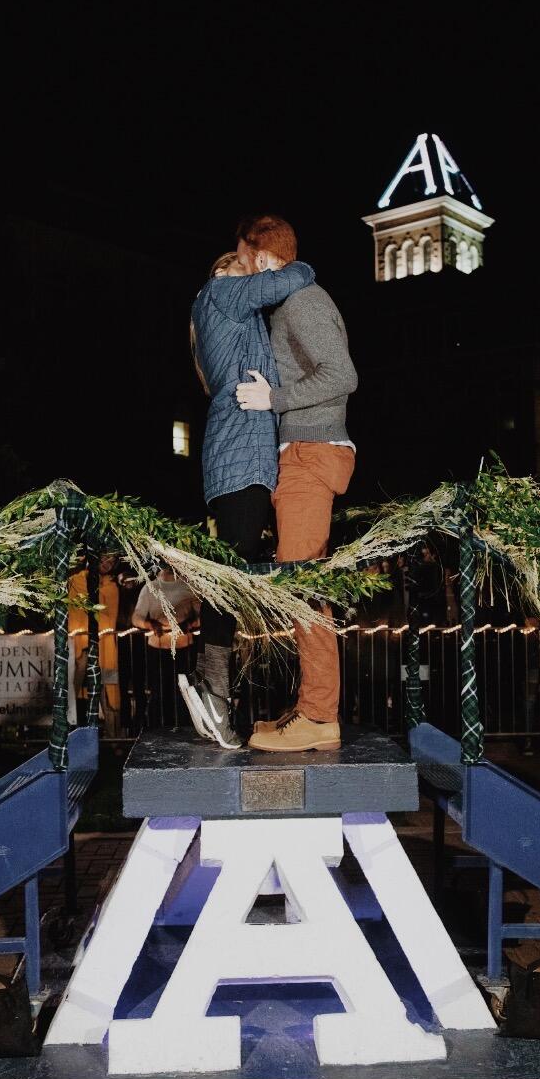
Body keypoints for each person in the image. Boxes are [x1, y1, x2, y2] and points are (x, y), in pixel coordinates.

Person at [235, 214, 357, 753]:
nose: (244, 275)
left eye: (245, 263)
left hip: (312, 453)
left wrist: (275, 400)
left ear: (263, 260)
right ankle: (310, 708)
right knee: (301, 586)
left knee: (304, 591)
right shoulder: (292, 304)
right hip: (301, 452)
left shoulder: (303, 300)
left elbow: (342, 374)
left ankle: (319, 716)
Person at [188, 243, 315, 747]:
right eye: (240, 266)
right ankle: (214, 690)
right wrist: (289, 265)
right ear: (223, 274)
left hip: (241, 456)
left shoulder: (234, 320)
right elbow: (292, 278)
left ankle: (212, 685)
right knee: (233, 569)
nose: (249, 274)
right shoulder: (220, 293)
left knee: (233, 567)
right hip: (239, 457)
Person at [68, 552, 122, 738]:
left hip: (105, 647)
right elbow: (74, 612)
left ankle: (113, 734)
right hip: (81, 645)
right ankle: (76, 734)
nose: (108, 562)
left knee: (108, 687)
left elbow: (109, 619)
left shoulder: (111, 587)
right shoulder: (75, 581)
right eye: (105, 557)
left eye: (112, 560)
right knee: (79, 688)